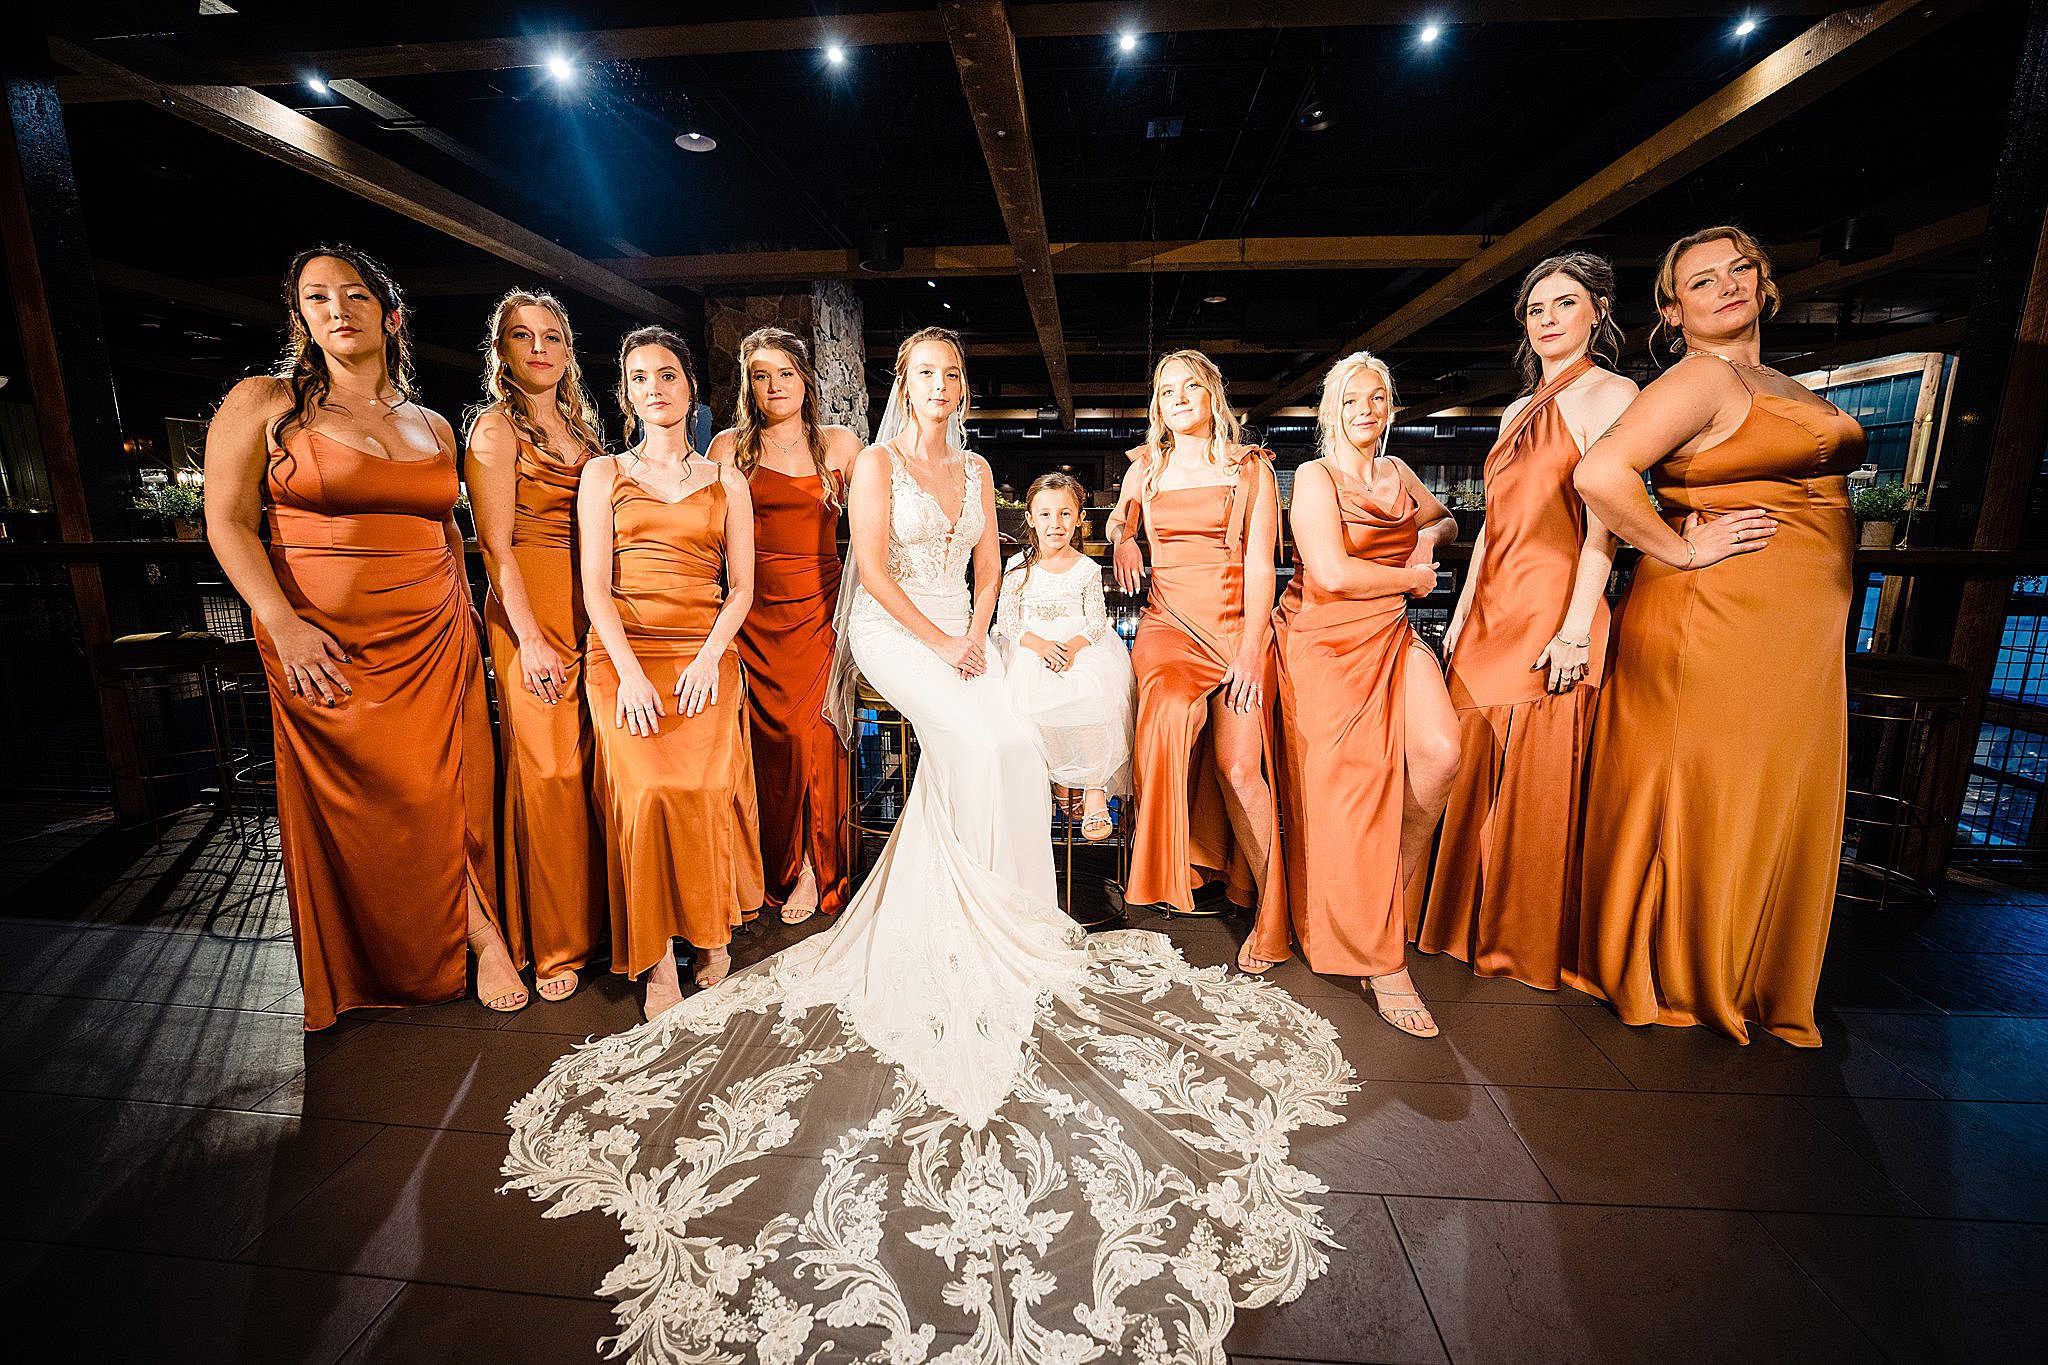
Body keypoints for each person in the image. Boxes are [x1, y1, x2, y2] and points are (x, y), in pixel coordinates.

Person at [505, 327, 1355, 1359]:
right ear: (903, 387)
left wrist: (978, 631)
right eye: (924, 374)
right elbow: (869, 569)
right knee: (975, 739)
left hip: (965, 629)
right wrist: (939, 640)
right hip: (893, 630)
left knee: (1014, 743)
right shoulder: (874, 463)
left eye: (952, 374)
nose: (940, 386)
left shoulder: (981, 467)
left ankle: (1013, 923)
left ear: (961, 386)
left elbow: (990, 565)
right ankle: (966, 924)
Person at [1569, 225, 1867, 1047]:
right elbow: (1599, 473)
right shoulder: (1703, 375)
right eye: (1702, 281)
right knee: (1712, 786)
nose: (1728, 285)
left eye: (1740, 270)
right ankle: (1684, 967)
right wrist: (1680, 548)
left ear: (1765, 283)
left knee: (1766, 786)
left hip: (1792, 631)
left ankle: (1741, 967)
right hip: (1717, 618)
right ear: (1673, 310)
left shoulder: (1779, 381)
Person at [204, 244, 515, 1029]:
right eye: (316, 297)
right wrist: (281, 622)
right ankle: (407, 951)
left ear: (390, 315)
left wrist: (470, 620)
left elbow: (448, 527)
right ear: (300, 318)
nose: (336, 309)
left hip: (435, 633)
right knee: (371, 802)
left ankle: (477, 931)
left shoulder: (431, 422)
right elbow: (228, 523)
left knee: (449, 791)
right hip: (323, 641)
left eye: (353, 294)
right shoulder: (263, 402)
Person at [1419, 254, 1638, 990]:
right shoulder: (1516, 410)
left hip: (1554, 600)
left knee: (1534, 774)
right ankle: (1456, 922)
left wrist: (1576, 627)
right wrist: (1461, 610)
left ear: (1598, 311)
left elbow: (1606, 524)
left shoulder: (1614, 393)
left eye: (1565, 303)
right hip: (1491, 606)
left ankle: (1516, 937)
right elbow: (1492, 524)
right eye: (1536, 309)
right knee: (1465, 755)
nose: (1548, 319)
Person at [1272, 352, 1461, 1037]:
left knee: (1440, 753)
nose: (1366, 410)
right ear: (1332, 410)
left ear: (1391, 408)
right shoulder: (1316, 477)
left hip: (1391, 631)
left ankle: (1385, 898)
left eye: (1377, 398)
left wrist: (1426, 542)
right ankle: (1384, 961)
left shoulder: (1399, 472)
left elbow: (1446, 521)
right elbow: (1329, 572)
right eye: (1352, 399)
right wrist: (1413, 580)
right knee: (1350, 786)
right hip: (1324, 639)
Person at [578, 326, 763, 1020]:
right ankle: (656, 956)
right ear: (626, 394)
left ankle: (710, 929)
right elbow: (595, 589)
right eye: (638, 378)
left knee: (706, 786)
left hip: (705, 648)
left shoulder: (727, 480)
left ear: (690, 388)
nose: (653, 388)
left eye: (666, 375)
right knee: (647, 790)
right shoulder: (604, 474)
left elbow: (741, 587)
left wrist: (710, 657)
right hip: (624, 653)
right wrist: (628, 673)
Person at [1108, 350, 1287, 963]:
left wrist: (1251, 649)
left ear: (1213, 394)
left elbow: (1261, 565)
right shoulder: (1146, 467)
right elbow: (1118, 521)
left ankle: (1272, 906)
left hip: (1237, 628)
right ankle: (1162, 867)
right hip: (1169, 624)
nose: (1179, 398)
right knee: (1167, 708)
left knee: (1238, 771)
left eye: (1191, 387)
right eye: (1167, 390)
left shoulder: (1250, 469)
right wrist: (1125, 539)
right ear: (1158, 406)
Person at [466, 289, 608, 1002]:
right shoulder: (496, 430)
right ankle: (554, 942)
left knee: (594, 771)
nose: (540, 348)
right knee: (548, 773)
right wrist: (529, 638)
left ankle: (605, 926)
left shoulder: (583, 429)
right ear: (503, 351)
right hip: (534, 615)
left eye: (552, 335)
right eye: (523, 336)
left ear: (568, 350)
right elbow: (496, 546)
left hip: (594, 612)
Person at [707, 327, 860, 924]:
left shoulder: (840, 445)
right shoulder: (728, 448)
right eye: (760, 376)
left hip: (820, 608)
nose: (774, 386)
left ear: (805, 379)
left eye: (785, 373)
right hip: (749, 610)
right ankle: (767, 864)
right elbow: (704, 532)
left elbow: (879, 526)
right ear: (748, 386)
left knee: (814, 736)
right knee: (764, 744)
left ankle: (815, 869)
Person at [994, 471, 1135, 839]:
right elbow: (1007, 620)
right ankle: (1055, 780)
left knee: (1096, 694)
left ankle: (1093, 788)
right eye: (1045, 514)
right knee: (1029, 695)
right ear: (1030, 519)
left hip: (1078, 647)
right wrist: (1040, 646)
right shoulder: (1018, 567)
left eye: (1065, 514)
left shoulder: (1086, 569)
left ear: (1079, 519)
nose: (1055, 523)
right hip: (1032, 647)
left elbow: (1097, 622)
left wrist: (1071, 648)